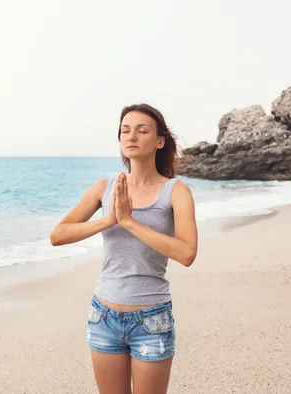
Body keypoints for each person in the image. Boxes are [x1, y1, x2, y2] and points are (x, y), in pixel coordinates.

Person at [50, 103, 198, 394]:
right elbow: (58, 235)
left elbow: (186, 253)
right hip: (103, 315)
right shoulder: (104, 188)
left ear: (159, 141)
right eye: (125, 131)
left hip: (151, 319)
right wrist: (108, 221)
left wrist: (130, 222)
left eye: (142, 131)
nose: (131, 136)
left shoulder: (176, 191)